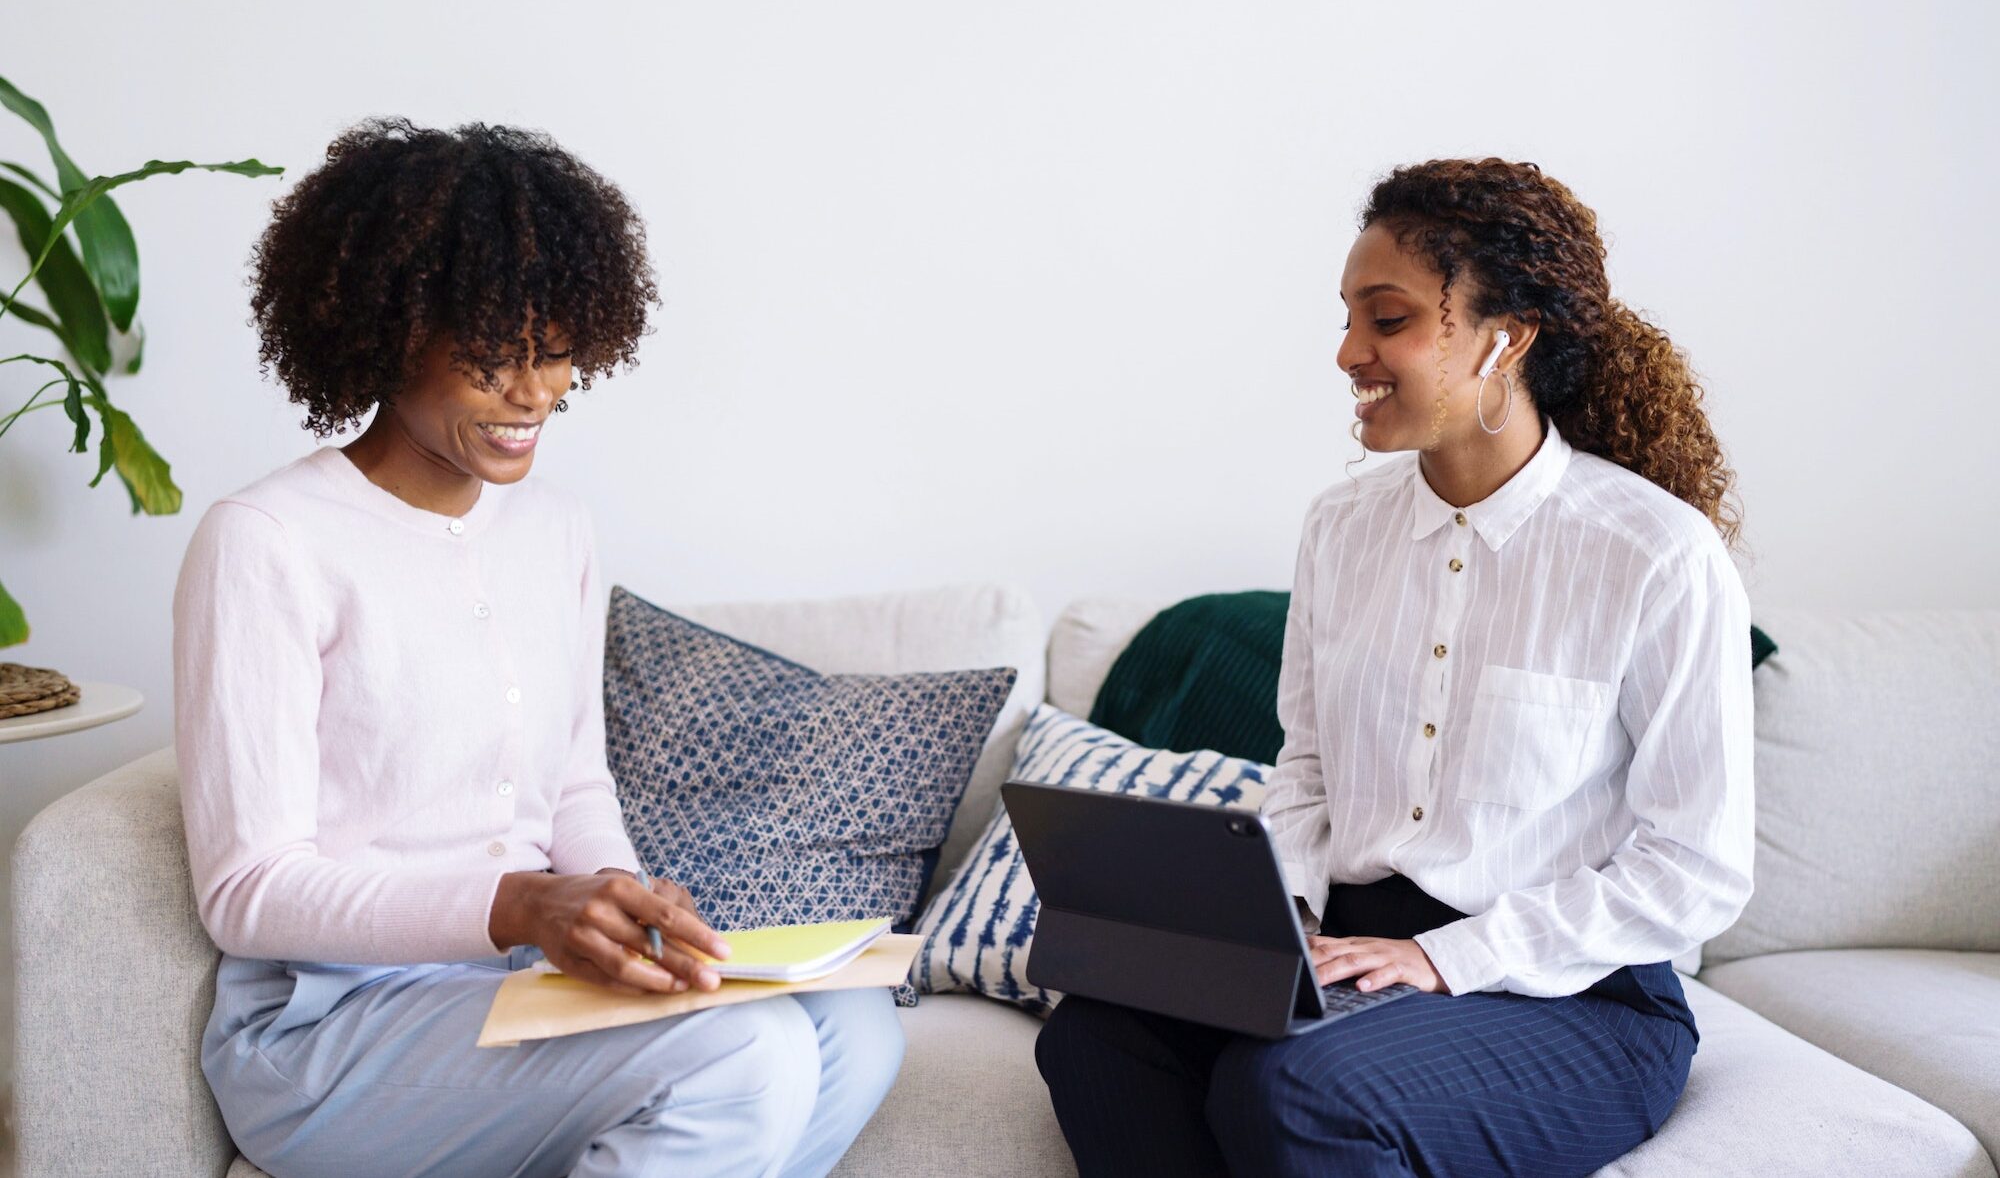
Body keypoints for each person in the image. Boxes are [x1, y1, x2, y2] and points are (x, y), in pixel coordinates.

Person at [174, 118, 903, 1178]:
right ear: (390, 333)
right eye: (492, 358)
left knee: (859, 1029)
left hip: (507, 988)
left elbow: (570, 778)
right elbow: (248, 890)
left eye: (555, 350)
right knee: (745, 1055)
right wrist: (520, 903)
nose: (534, 393)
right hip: (331, 1031)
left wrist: (625, 904)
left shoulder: (555, 528)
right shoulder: (269, 541)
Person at [1035, 157, 1754, 1176]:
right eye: (1345, 318)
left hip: (1571, 997)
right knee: (1094, 1040)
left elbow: (1695, 869)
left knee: (1289, 1090)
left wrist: (1442, 959)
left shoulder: (1653, 555)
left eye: (1387, 320)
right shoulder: (1339, 529)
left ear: (1505, 337)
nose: (1346, 353)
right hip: (1352, 956)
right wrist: (1270, 926)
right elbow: (1309, 775)